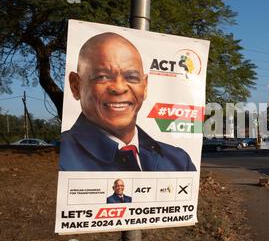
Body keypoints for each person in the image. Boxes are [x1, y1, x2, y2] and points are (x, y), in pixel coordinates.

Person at [60, 32, 196, 171]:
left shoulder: (178, 162)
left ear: (145, 87)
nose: (119, 88)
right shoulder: (61, 160)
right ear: (76, 86)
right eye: (102, 76)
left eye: (131, 77)